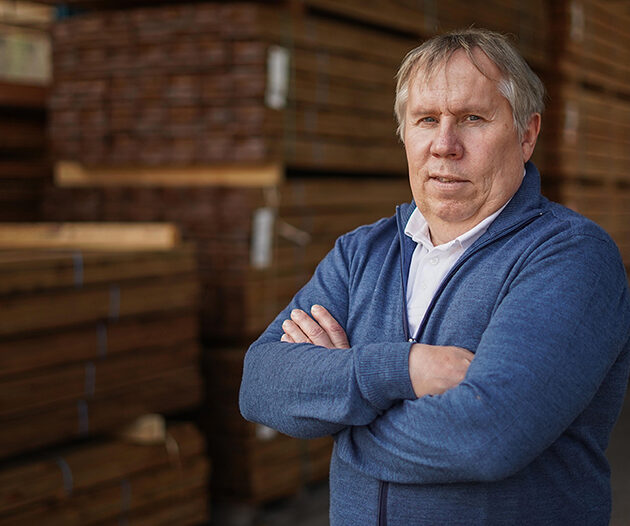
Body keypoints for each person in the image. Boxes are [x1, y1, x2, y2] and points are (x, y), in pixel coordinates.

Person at [239, 28, 630, 525]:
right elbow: (260, 384)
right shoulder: (361, 254)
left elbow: (487, 437)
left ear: (527, 135)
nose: (445, 145)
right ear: (405, 135)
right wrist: (404, 369)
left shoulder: (569, 257)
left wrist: (340, 419)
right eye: (426, 120)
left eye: (472, 119)